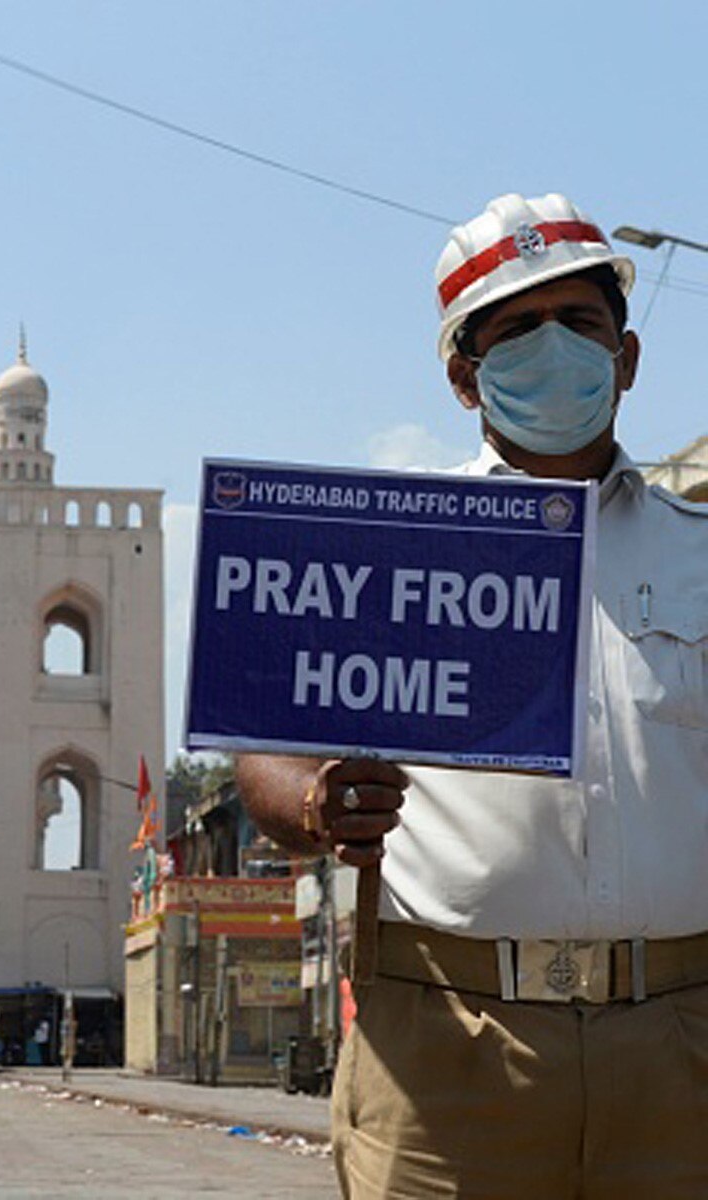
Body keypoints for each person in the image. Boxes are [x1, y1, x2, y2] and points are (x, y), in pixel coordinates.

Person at [237, 192, 708, 1198]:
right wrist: (318, 802)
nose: (554, 350)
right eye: (517, 329)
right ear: (463, 375)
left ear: (625, 358)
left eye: (579, 323)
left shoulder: (699, 553)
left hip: (683, 1045)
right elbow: (263, 750)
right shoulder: (389, 550)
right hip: (447, 1050)